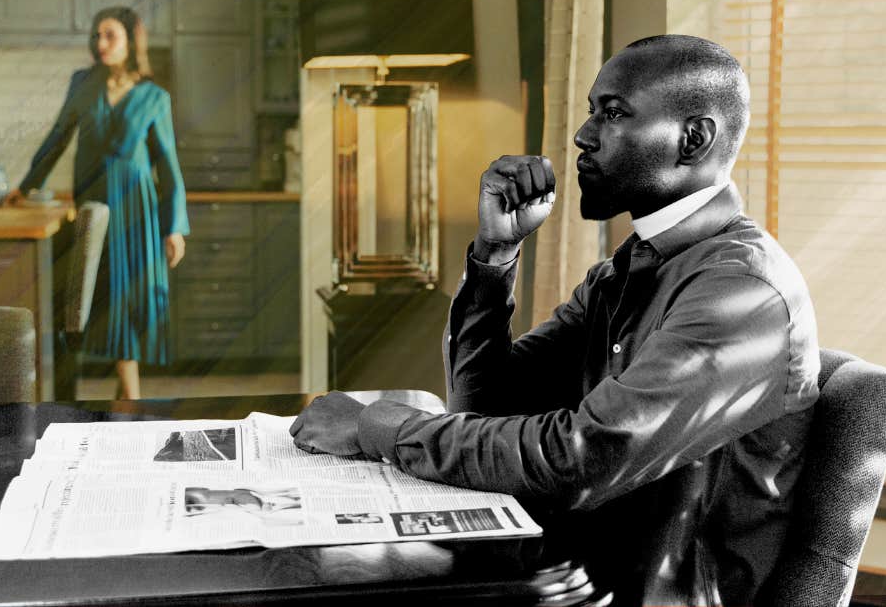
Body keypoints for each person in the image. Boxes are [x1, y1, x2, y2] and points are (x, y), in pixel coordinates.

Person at [289, 35, 820, 606]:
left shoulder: (741, 293)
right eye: (592, 111)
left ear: (692, 139)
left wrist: (377, 428)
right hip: (576, 566)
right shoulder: (625, 271)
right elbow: (486, 404)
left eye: (613, 113)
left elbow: (580, 458)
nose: (583, 136)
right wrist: (495, 259)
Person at [13, 6, 189, 400]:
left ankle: (130, 399)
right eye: (96, 35)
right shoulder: (83, 84)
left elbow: (168, 166)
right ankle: (126, 400)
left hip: (138, 212)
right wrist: (26, 187)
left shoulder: (153, 97)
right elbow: (58, 139)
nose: (100, 43)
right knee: (100, 300)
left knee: (128, 299)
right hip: (95, 212)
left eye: (109, 35)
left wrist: (174, 225)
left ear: (130, 41)